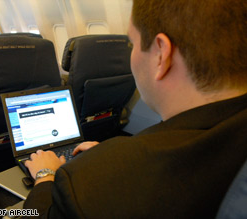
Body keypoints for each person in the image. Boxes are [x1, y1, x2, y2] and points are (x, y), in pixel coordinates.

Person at [20, 0, 247, 218]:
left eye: (132, 44)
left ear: (161, 55)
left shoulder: (80, 185)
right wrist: (112, 159)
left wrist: (45, 176)